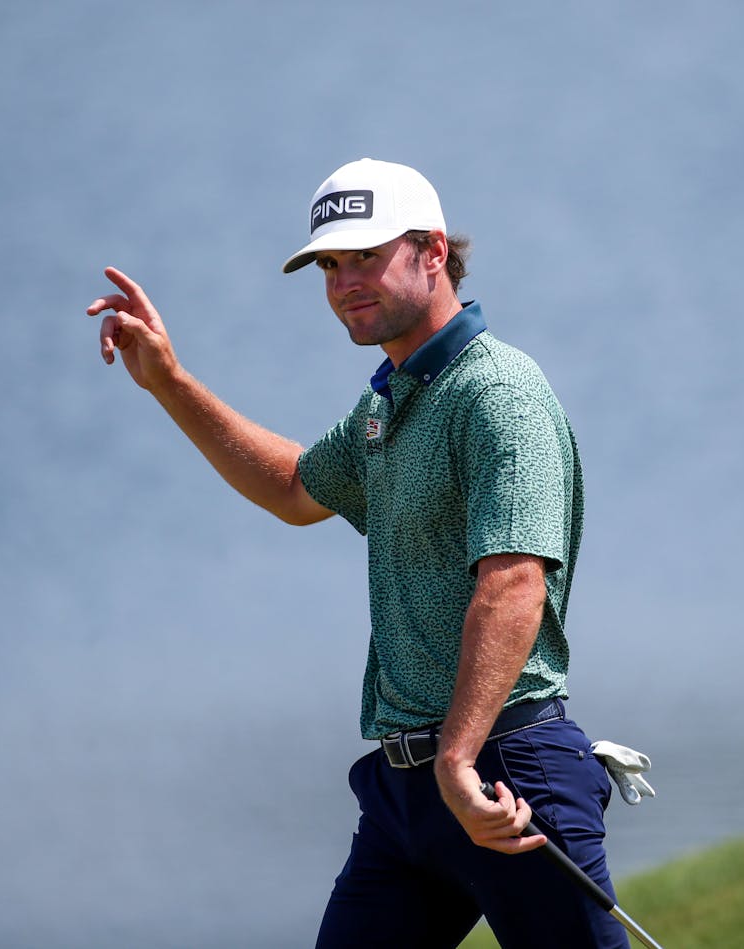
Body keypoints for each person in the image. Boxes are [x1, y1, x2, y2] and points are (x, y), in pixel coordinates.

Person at [85, 158, 632, 948]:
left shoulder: (498, 393)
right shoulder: (390, 403)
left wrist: (458, 760)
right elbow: (293, 487)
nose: (345, 283)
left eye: (366, 257)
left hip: (505, 773)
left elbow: (513, 585)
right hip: (408, 791)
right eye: (330, 266)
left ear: (433, 252)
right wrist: (169, 382)